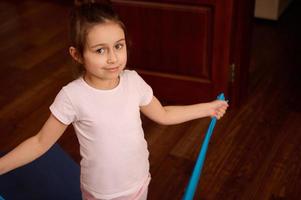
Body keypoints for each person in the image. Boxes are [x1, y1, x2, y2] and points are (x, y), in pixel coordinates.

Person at [0, 1, 228, 200]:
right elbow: (40, 142)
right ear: (77, 55)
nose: (112, 58)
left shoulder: (133, 81)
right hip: (102, 194)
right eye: (100, 50)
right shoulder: (72, 96)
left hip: (139, 182)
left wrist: (207, 108)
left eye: (118, 46)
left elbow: (164, 114)